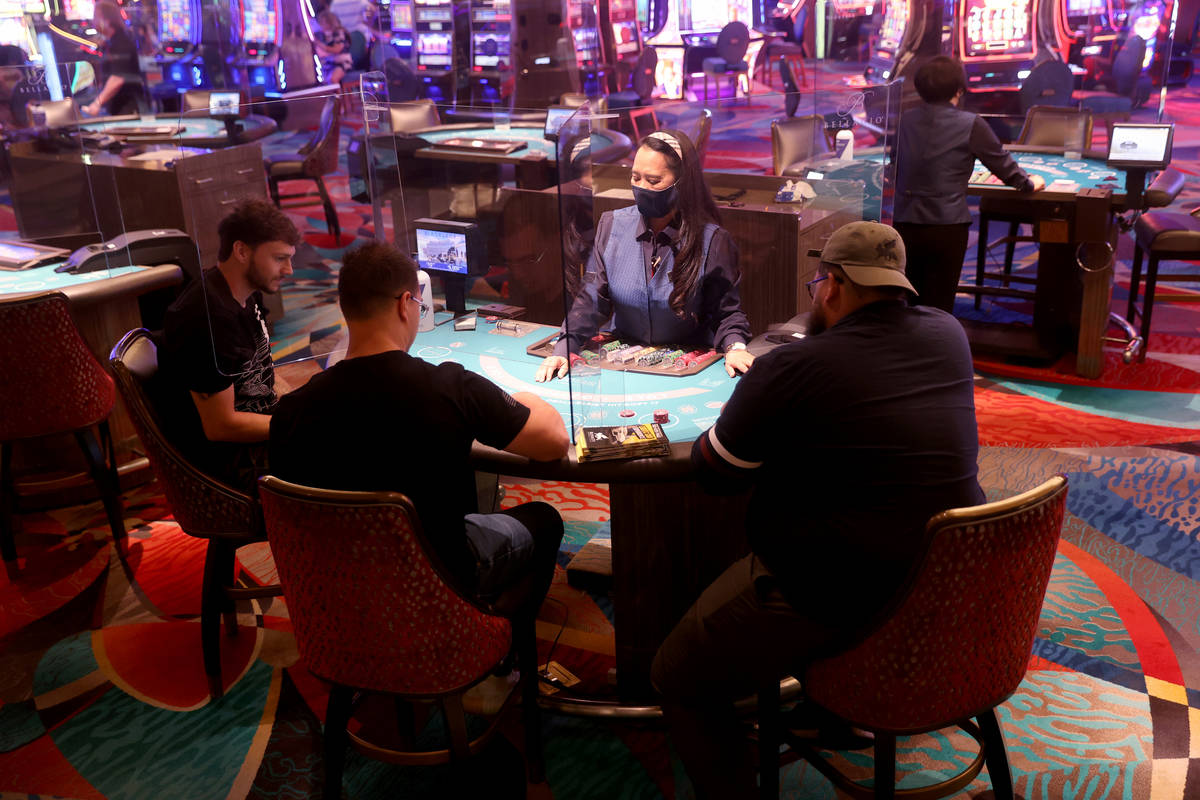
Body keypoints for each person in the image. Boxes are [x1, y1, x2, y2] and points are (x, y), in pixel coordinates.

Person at [652, 221, 986, 799]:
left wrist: (752, 405)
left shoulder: (794, 368)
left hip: (833, 599)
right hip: (946, 584)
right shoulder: (948, 334)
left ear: (830, 286)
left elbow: (717, 472)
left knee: (675, 675)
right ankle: (829, 708)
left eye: (817, 283)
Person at [268, 241, 569, 616]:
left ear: (345, 308)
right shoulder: (450, 387)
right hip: (437, 588)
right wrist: (527, 397)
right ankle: (495, 650)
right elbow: (553, 443)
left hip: (336, 597)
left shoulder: (291, 412)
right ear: (404, 303)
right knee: (544, 519)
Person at [535, 129, 754, 382]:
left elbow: (726, 314)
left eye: (653, 180)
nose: (641, 188)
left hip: (686, 367)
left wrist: (735, 348)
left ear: (681, 182)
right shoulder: (611, 226)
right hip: (625, 362)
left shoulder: (712, 241)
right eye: (635, 177)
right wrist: (566, 347)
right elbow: (590, 301)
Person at [157, 199, 300, 491]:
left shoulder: (246, 295)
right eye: (279, 258)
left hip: (255, 434)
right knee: (348, 454)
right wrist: (298, 425)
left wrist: (299, 408)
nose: (289, 270)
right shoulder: (205, 318)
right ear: (242, 251)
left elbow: (263, 376)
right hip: (226, 463)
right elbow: (220, 426)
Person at [892, 55, 1045, 313]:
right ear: (959, 90)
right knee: (939, 306)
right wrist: (1030, 183)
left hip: (904, 223)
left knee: (909, 300)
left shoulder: (905, 120)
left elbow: (896, 162)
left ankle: (911, 350)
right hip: (946, 227)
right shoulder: (971, 123)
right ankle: (939, 350)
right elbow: (1005, 167)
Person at [82, 1, 144, 116]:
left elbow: (117, 79)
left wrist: (97, 103)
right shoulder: (110, 43)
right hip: (118, 107)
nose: (93, 21)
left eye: (96, 16)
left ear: (106, 20)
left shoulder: (121, 43)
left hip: (129, 109)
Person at [314, 10, 354, 85]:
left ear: (330, 22)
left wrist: (318, 43)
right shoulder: (324, 35)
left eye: (323, 22)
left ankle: (338, 96)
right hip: (331, 63)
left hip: (342, 62)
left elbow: (337, 50)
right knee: (322, 80)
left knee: (333, 79)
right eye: (321, 22)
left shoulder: (339, 32)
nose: (321, 25)